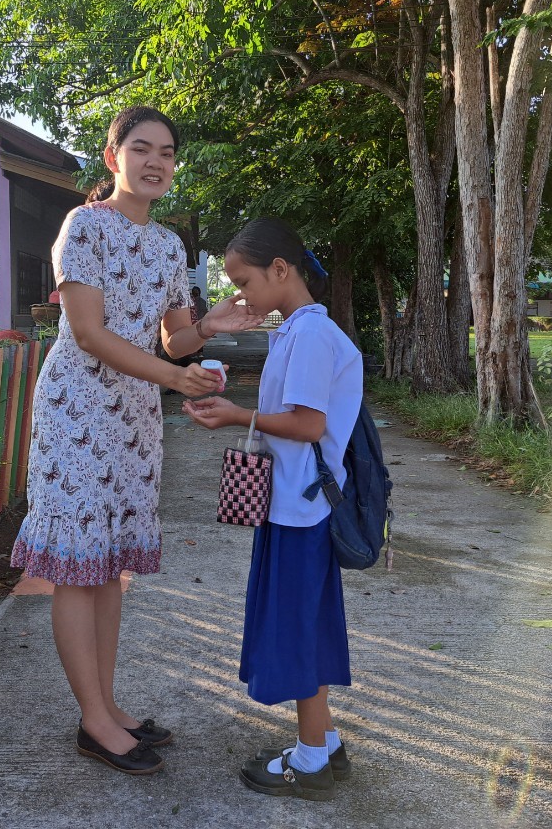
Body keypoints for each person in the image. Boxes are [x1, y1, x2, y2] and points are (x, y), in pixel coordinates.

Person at [10, 106, 265, 776]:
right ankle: (92, 720)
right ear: (112, 157)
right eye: (142, 148)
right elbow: (88, 332)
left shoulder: (170, 246)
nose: (156, 161)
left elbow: (172, 339)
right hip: (77, 409)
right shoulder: (84, 226)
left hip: (134, 415)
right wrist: (175, 378)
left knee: (110, 561)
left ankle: (108, 705)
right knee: (78, 564)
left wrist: (209, 327)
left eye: (167, 152)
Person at [183, 217, 362, 802]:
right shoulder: (299, 330)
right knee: (307, 623)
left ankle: (309, 762)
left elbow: (308, 425)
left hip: (300, 511)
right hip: (293, 505)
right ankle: (325, 743)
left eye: (244, 281)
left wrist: (237, 416)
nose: (241, 295)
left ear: (280, 270)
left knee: (297, 630)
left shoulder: (310, 335)